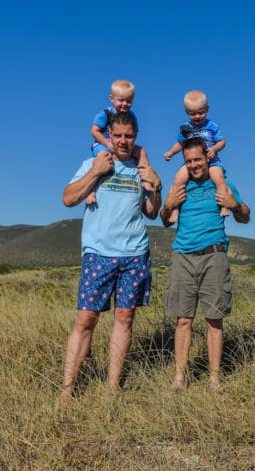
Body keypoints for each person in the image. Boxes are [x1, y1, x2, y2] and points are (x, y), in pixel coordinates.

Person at [60, 111, 162, 403]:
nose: (122, 141)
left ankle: (113, 387)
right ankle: (67, 390)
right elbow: (68, 198)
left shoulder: (141, 168)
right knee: (85, 320)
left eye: (128, 136)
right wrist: (95, 172)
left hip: (134, 253)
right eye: (117, 136)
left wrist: (155, 186)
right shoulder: (94, 163)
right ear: (110, 136)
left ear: (136, 135)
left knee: (125, 317)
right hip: (99, 252)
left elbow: (152, 212)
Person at [160, 137, 250, 390]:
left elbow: (245, 217)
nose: (193, 165)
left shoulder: (222, 182)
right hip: (183, 256)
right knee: (183, 320)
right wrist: (168, 206)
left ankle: (214, 380)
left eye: (197, 159)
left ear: (207, 157)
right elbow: (166, 220)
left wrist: (234, 206)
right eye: (188, 161)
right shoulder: (181, 184)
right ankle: (179, 378)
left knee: (214, 320)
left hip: (214, 255)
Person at [163, 90, 229, 222]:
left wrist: (214, 149)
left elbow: (222, 141)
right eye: (193, 114)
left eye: (201, 112)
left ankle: (224, 206)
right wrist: (171, 152)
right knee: (178, 179)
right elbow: (180, 143)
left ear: (207, 109)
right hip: (192, 162)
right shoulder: (186, 128)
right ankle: (175, 210)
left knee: (218, 177)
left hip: (212, 161)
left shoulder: (211, 126)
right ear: (186, 112)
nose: (197, 116)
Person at [87, 79, 151, 205]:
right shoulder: (106, 113)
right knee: (102, 157)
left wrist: (130, 148)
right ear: (112, 99)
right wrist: (107, 143)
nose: (124, 104)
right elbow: (94, 131)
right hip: (102, 144)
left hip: (122, 145)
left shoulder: (131, 116)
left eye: (128, 101)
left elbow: (134, 133)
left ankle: (146, 179)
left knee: (141, 151)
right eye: (121, 100)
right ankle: (90, 190)